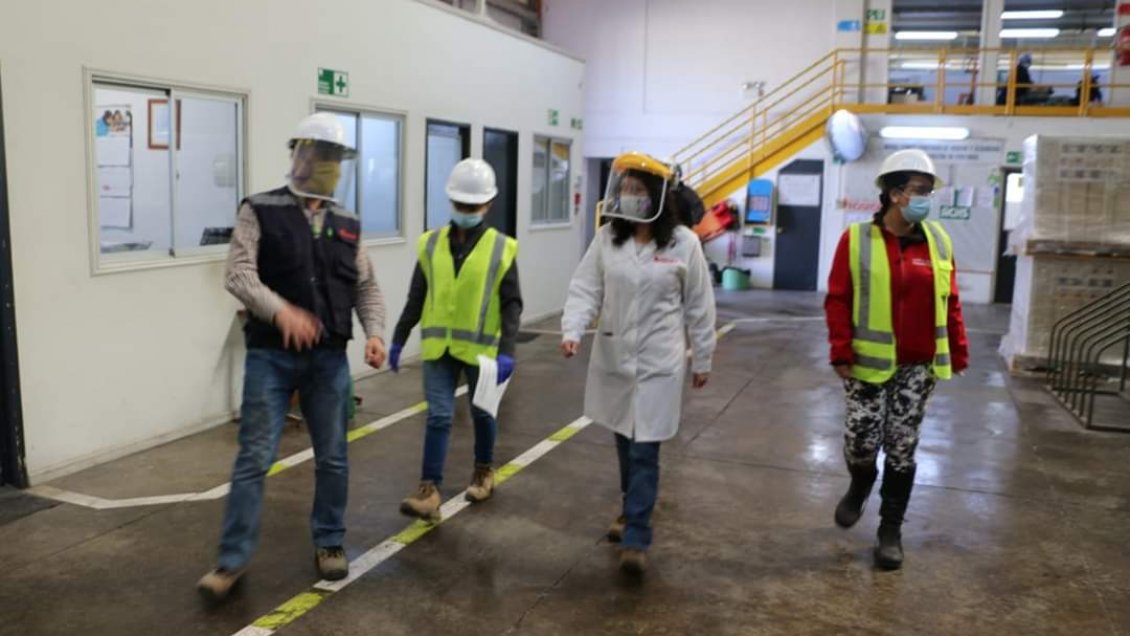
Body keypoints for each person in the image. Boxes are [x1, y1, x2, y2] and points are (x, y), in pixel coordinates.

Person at [198, 113, 388, 600]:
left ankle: (330, 542)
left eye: (334, 158)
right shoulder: (259, 209)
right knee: (254, 458)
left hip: (328, 359)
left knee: (335, 457)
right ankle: (231, 560)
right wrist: (282, 312)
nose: (325, 165)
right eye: (317, 154)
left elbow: (366, 286)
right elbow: (238, 275)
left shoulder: (347, 223)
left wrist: (376, 333)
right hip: (270, 358)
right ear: (297, 155)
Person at [561, 151, 716, 576]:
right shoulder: (609, 238)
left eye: (637, 190)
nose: (628, 196)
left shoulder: (683, 243)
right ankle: (631, 508)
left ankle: (637, 535)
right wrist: (572, 330)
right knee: (626, 445)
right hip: (615, 360)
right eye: (624, 189)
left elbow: (700, 305)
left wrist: (703, 356)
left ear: (658, 196)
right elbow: (585, 287)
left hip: (660, 364)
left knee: (646, 449)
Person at [825, 148, 969, 571]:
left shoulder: (938, 240)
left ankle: (890, 531)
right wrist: (840, 350)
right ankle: (861, 482)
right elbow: (837, 299)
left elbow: (951, 300)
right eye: (918, 190)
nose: (925, 198)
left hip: (917, 367)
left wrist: (958, 349)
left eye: (928, 191)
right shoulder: (857, 240)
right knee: (862, 442)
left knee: (903, 449)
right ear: (892, 194)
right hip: (866, 364)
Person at [391, 158, 522, 522]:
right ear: (451, 202)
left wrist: (507, 351)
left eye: (473, 206)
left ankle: (484, 470)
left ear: (487, 205)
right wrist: (399, 338)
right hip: (438, 348)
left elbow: (512, 303)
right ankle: (428, 489)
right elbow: (417, 295)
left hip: (482, 350)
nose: (467, 211)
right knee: (439, 416)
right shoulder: (430, 244)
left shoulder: (502, 247)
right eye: (462, 205)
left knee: (482, 413)